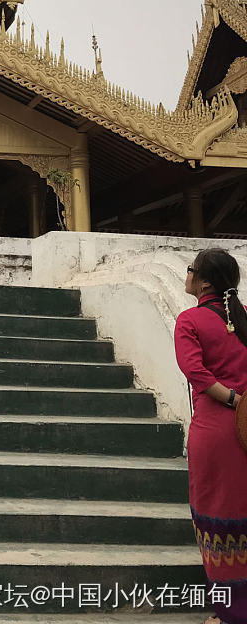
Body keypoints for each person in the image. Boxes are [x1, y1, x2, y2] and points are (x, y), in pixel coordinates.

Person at [174, 248, 247, 624]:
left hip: (216, 432)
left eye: (190, 270)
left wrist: (233, 399)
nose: (185, 275)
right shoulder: (244, 321)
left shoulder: (190, 320)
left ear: (204, 282)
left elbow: (197, 374)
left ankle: (229, 614)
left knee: (217, 521)